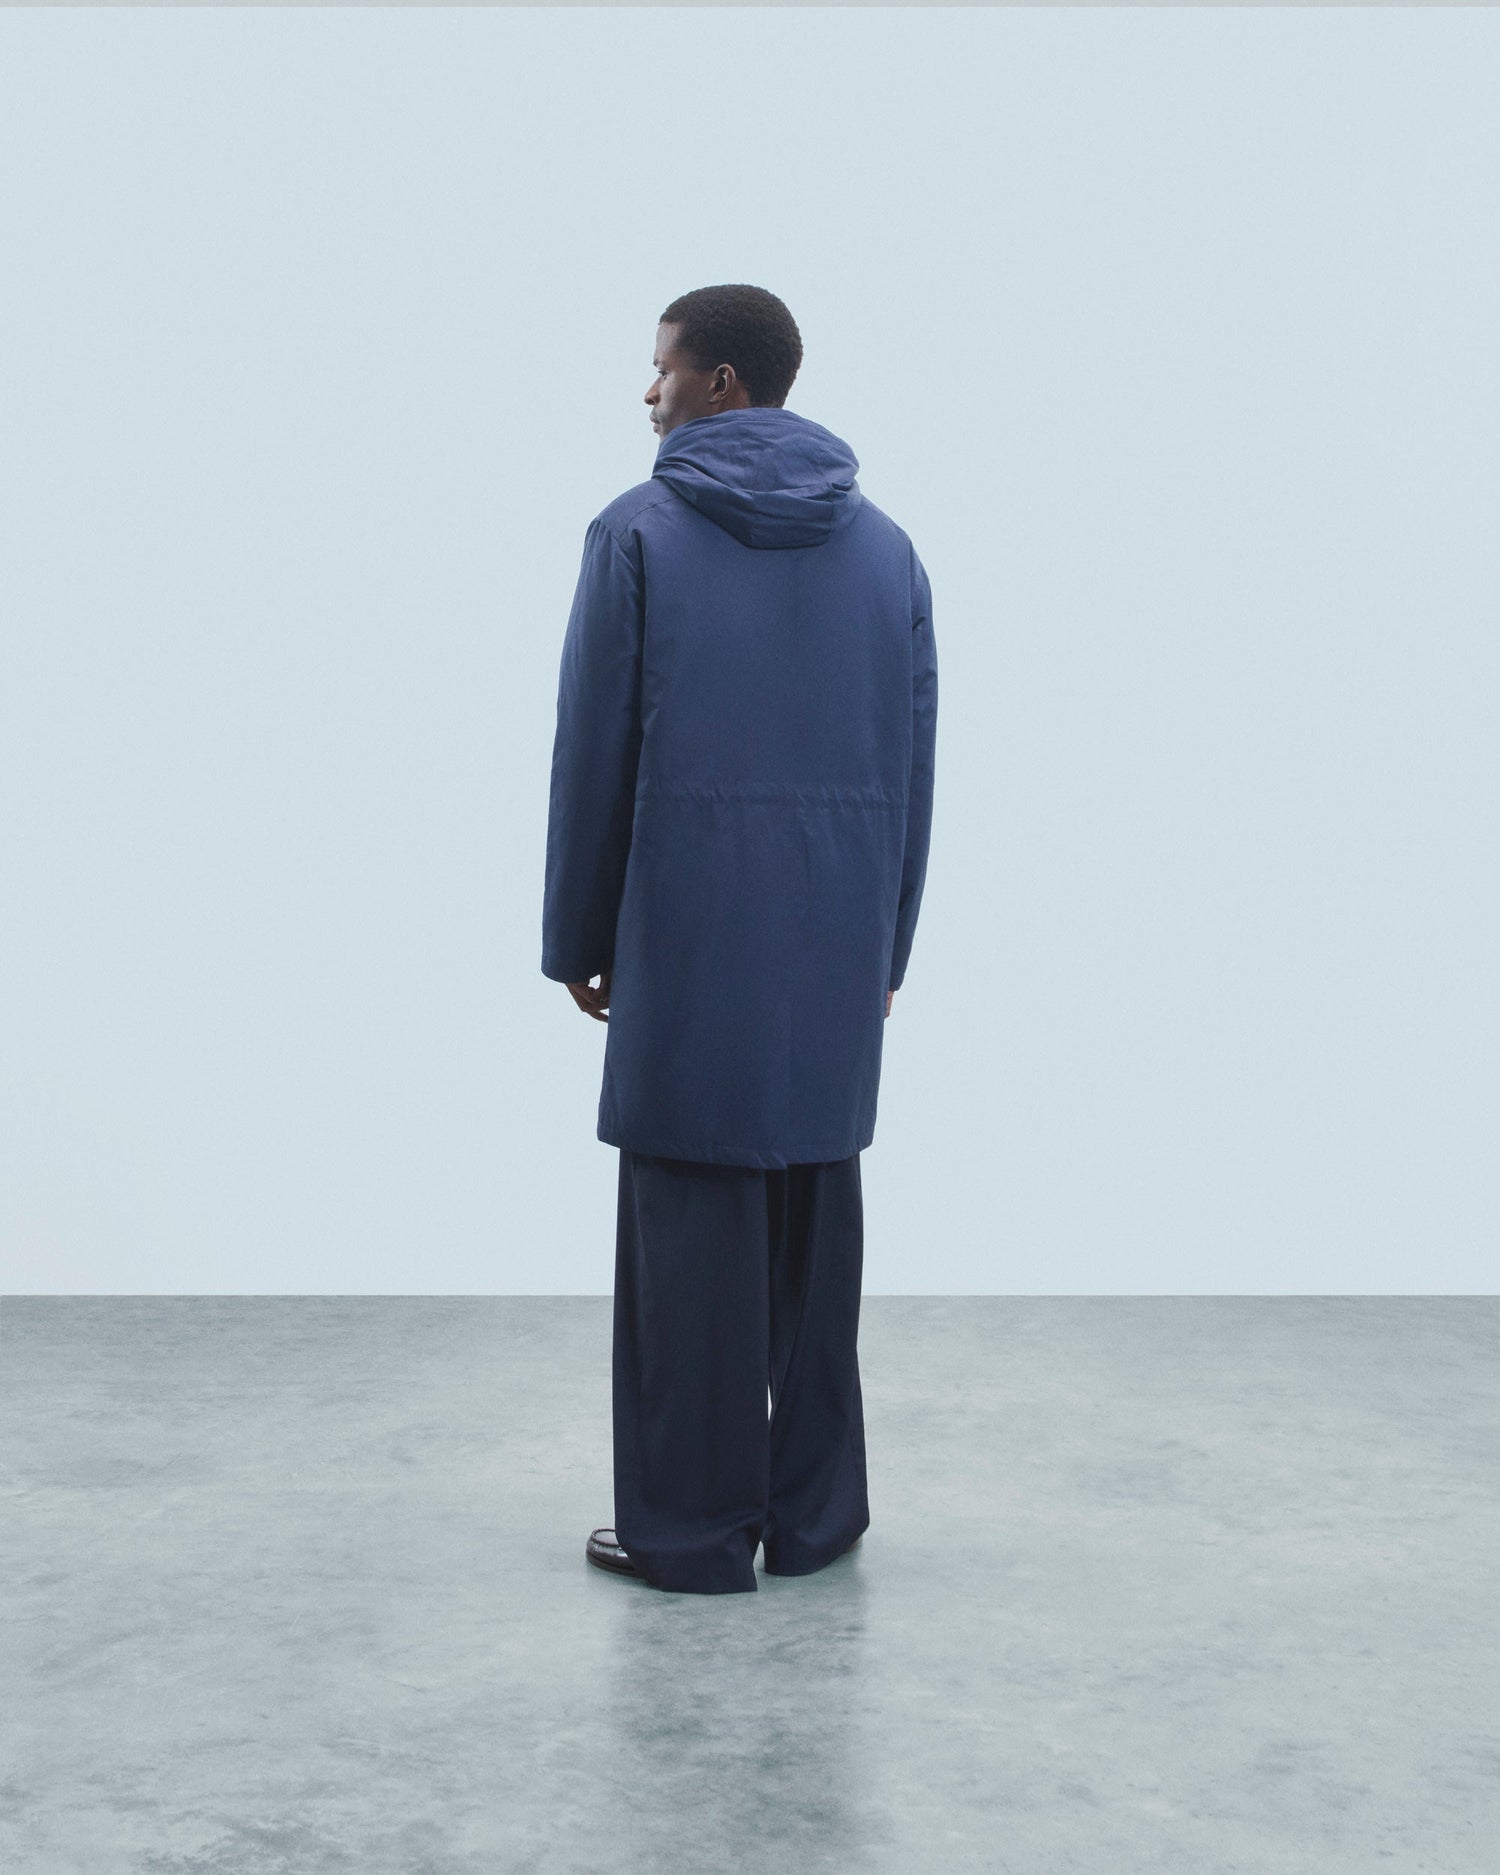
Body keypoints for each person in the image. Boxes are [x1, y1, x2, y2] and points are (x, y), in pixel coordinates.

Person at [541, 283, 937, 1594]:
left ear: (718, 383)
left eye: (661, 367)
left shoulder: (636, 532)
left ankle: (690, 1533)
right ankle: (816, 1520)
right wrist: (886, 949)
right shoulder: (887, 549)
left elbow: (594, 751)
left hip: (688, 931)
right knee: (818, 1228)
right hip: (835, 937)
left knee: (687, 1233)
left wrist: (577, 935)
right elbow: (914, 764)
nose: (647, 391)